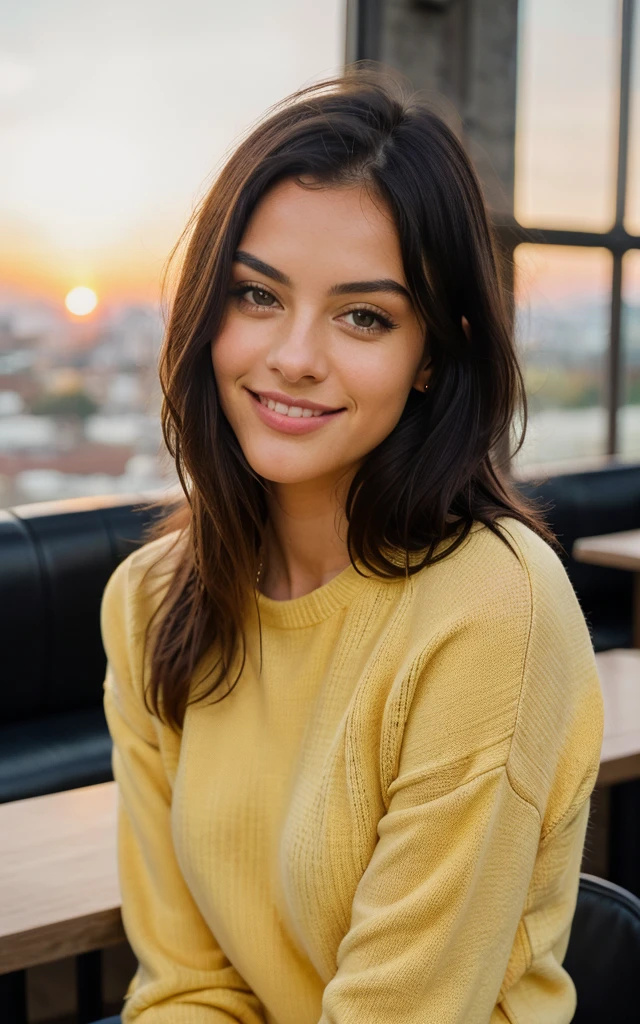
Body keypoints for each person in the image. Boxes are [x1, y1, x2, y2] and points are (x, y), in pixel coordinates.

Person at [97, 67, 604, 1024]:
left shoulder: (495, 615)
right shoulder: (152, 600)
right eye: (256, 295)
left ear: (433, 357)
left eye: (364, 316)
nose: (294, 354)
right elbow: (187, 989)